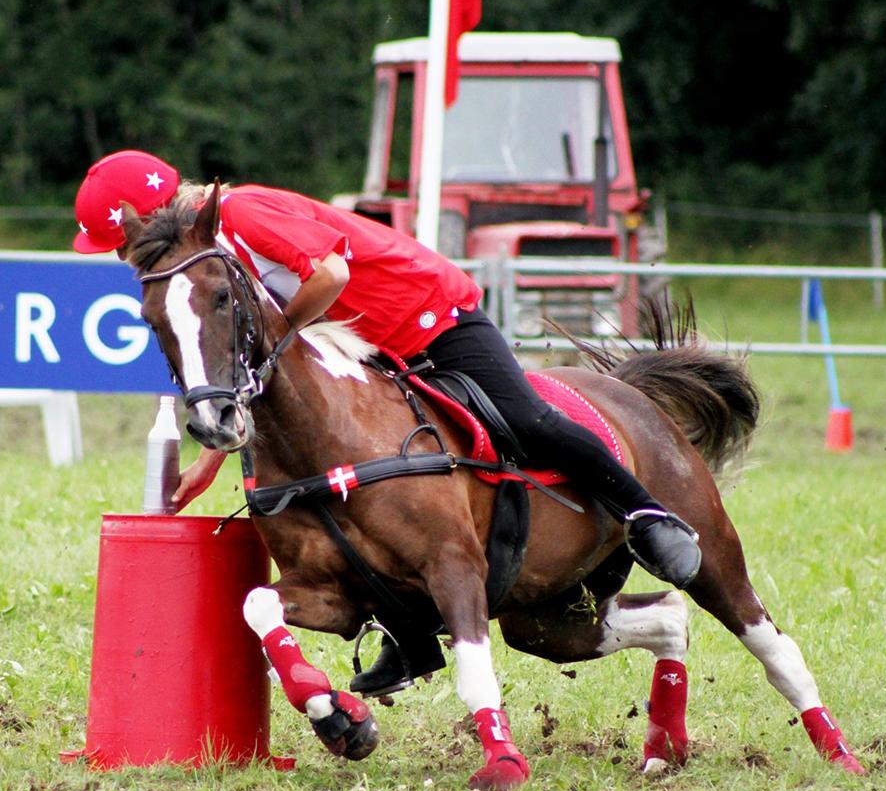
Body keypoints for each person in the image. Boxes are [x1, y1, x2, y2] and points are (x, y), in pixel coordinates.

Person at [73, 149, 702, 694]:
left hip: (430, 316)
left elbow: (332, 274)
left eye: (121, 241)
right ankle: (412, 637)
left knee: (525, 420)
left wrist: (278, 340)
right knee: (370, 481)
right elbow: (244, 374)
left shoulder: (238, 215)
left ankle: (646, 512)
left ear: (146, 219)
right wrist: (214, 458)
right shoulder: (204, 259)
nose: (125, 256)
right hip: (373, 342)